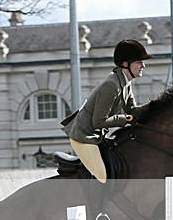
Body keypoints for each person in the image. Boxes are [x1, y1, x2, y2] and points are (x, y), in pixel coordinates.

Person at [61, 39, 152, 183]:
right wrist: (125, 119)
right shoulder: (111, 85)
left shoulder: (125, 83)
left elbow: (132, 110)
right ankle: (96, 206)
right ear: (125, 64)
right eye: (139, 62)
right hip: (84, 137)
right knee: (103, 177)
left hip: (96, 135)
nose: (143, 66)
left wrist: (155, 106)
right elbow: (99, 121)